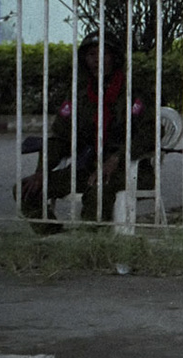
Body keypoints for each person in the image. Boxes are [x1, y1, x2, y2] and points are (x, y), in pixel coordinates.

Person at [17, 35, 154, 232]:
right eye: (91, 55)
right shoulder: (80, 93)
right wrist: (41, 172)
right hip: (89, 166)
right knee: (25, 190)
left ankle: (91, 245)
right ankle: (53, 237)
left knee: (97, 193)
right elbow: (60, 136)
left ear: (115, 57)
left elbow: (149, 133)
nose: (97, 60)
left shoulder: (134, 90)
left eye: (103, 54)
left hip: (129, 169)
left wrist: (117, 159)